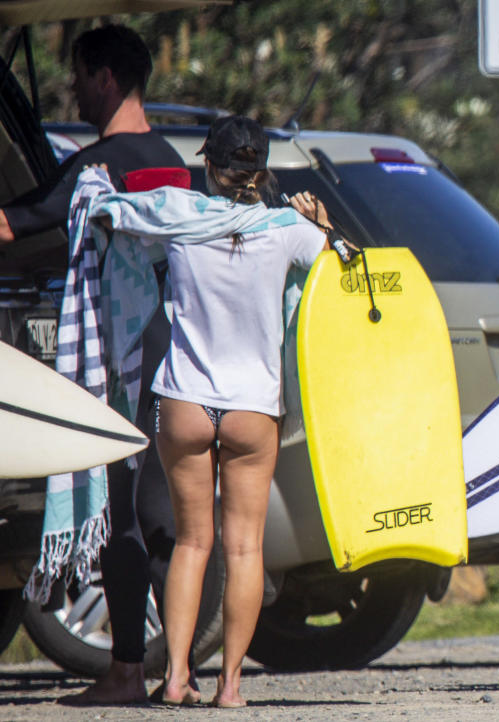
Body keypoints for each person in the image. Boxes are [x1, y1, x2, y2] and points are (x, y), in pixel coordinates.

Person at [0, 24, 191, 706]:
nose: (72, 88)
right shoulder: (172, 161)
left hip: (119, 364)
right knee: (167, 517)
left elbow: (11, 224)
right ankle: (182, 674)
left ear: (107, 78)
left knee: (121, 518)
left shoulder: (97, 166)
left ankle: (128, 672)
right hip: (173, 357)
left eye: (79, 76)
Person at [148, 116, 329, 707]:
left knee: (191, 543)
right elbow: (340, 263)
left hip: (185, 400)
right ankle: (229, 685)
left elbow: (120, 221)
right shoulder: (288, 231)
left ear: (209, 166)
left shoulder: (178, 220)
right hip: (253, 406)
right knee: (244, 547)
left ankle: (176, 678)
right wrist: (319, 223)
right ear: (262, 171)